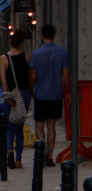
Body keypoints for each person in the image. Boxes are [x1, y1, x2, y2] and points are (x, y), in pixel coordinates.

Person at [29, 24, 71, 167]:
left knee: (39, 125)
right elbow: (65, 74)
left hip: (40, 94)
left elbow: (33, 76)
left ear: (42, 36)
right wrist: (68, 92)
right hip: (56, 94)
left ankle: (41, 150)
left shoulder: (36, 54)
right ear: (54, 35)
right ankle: (50, 155)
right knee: (51, 125)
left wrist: (30, 91)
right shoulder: (62, 52)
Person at [0, 28, 31, 169]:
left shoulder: (3, 58)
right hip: (23, 93)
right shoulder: (26, 57)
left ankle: (9, 151)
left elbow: (3, 80)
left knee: (10, 127)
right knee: (20, 127)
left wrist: (6, 95)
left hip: (11, 94)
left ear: (10, 42)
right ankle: (18, 160)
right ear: (21, 43)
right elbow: (29, 78)